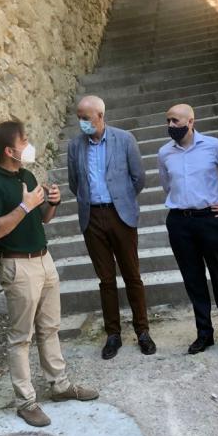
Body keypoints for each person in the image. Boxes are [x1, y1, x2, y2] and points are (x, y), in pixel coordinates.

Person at [0, 121, 98, 427]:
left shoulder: (27, 176)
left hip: (44, 260)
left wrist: (51, 203)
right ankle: (26, 401)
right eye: (24, 141)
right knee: (21, 337)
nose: (28, 145)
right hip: (17, 265)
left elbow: (42, 218)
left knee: (50, 327)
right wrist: (24, 204)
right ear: (9, 150)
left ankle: (59, 385)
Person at [67, 95, 156, 360]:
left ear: (100, 116)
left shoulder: (124, 139)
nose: (82, 122)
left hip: (121, 216)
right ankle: (113, 334)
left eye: (86, 118)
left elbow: (138, 177)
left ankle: (142, 331)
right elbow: (74, 183)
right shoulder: (74, 146)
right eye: (79, 118)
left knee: (132, 275)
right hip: (92, 217)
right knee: (105, 279)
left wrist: (122, 200)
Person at [157, 104, 218, 355]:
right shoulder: (164, 153)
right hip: (179, 222)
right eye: (168, 121)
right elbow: (167, 185)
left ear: (191, 121)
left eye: (175, 121)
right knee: (193, 280)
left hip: (208, 219)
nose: (171, 126)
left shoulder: (213, 145)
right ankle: (204, 334)